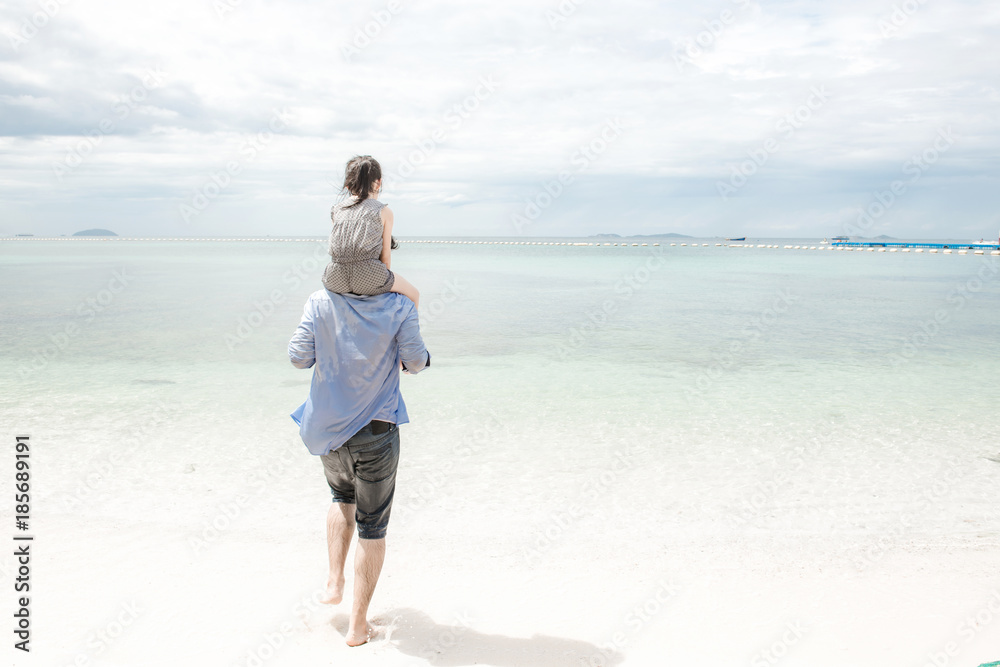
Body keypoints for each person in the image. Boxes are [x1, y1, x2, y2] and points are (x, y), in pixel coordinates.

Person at [288, 283, 430, 647]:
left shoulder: (319, 300)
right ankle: (357, 627)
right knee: (373, 527)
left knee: (340, 497)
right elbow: (415, 362)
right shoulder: (398, 304)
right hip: (375, 432)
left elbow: (298, 357)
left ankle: (334, 581)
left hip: (328, 429)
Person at [322, 155, 420, 308]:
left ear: (348, 185)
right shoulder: (383, 211)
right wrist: (383, 286)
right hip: (370, 275)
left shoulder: (336, 210)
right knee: (414, 295)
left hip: (335, 277)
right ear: (378, 182)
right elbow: (385, 255)